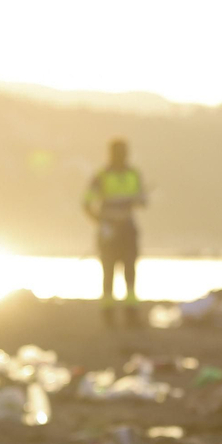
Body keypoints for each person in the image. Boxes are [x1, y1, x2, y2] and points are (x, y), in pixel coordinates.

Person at [82, 138, 147, 327]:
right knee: (108, 270)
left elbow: (142, 201)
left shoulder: (134, 174)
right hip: (108, 229)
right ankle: (108, 313)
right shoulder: (101, 176)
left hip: (127, 228)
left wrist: (136, 200)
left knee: (130, 270)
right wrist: (101, 221)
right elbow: (86, 203)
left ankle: (131, 311)